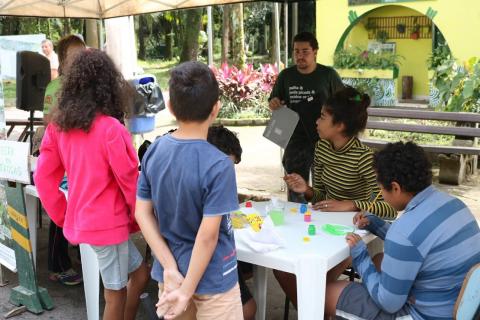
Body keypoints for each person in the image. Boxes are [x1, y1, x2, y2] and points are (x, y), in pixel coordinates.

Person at [34, 49, 149, 320]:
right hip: (109, 225)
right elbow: (131, 182)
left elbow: (43, 176)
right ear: (108, 85)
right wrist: (142, 220)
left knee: (140, 274)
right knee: (114, 294)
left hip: (93, 223)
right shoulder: (111, 129)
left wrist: (64, 214)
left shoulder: (58, 127)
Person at [135, 61, 242, 320]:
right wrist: (187, 291)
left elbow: (142, 214)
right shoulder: (219, 165)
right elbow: (207, 238)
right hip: (214, 280)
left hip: (170, 276)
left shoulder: (154, 151)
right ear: (216, 109)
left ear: (170, 108)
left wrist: (171, 268)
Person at [325, 141, 480, 319]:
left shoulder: (404, 232)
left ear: (396, 188)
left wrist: (360, 256)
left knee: (327, 293)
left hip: (424, 315)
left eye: (381, 189)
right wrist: (376, 224)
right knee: (379, 260)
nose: (380, 195)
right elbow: (417, 243)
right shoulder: (455, 205)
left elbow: (388, 303)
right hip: (460, 307)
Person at [276, 86, 397, 307]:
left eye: (322, 117)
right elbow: (321, 198)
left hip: (357, 237)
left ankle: (317, 310)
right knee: (283, 269)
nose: (316, 121)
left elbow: (389, 209)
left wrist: (349, 205)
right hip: (324, 229)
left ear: (340, 125)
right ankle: (318, 312)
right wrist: (307, 190)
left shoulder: (364, 158)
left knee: (316, 275)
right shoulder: (321, 148)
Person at [269, 31, 344, 203]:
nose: (300, 56)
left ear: (315, 52)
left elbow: (343, 103)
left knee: (323, 191)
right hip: (294, 142)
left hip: (324, 142)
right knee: (296, 192)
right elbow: (274, 101)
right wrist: (273, 103)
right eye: (296, 51)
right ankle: (296, 223)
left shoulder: (328, 75)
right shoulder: (286, 76)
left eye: (305, 51)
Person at [39, 35, 87, 286]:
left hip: (83, 161)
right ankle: (58, 265)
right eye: (75, 56)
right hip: (63, 162)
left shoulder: (88, 85)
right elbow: (49, 122)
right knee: (61, 212)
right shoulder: (55, 87)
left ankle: (81, 252)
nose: (81, 60)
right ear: (63, 60)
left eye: (84, 54)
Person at [207, 125, 256, 320]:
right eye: (228, 165)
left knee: (249, 306)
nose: (230, 173)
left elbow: (230, 213)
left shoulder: (220, 180)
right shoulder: (202, 185)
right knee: (247, 309)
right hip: (209, 264)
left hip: (221, 255)